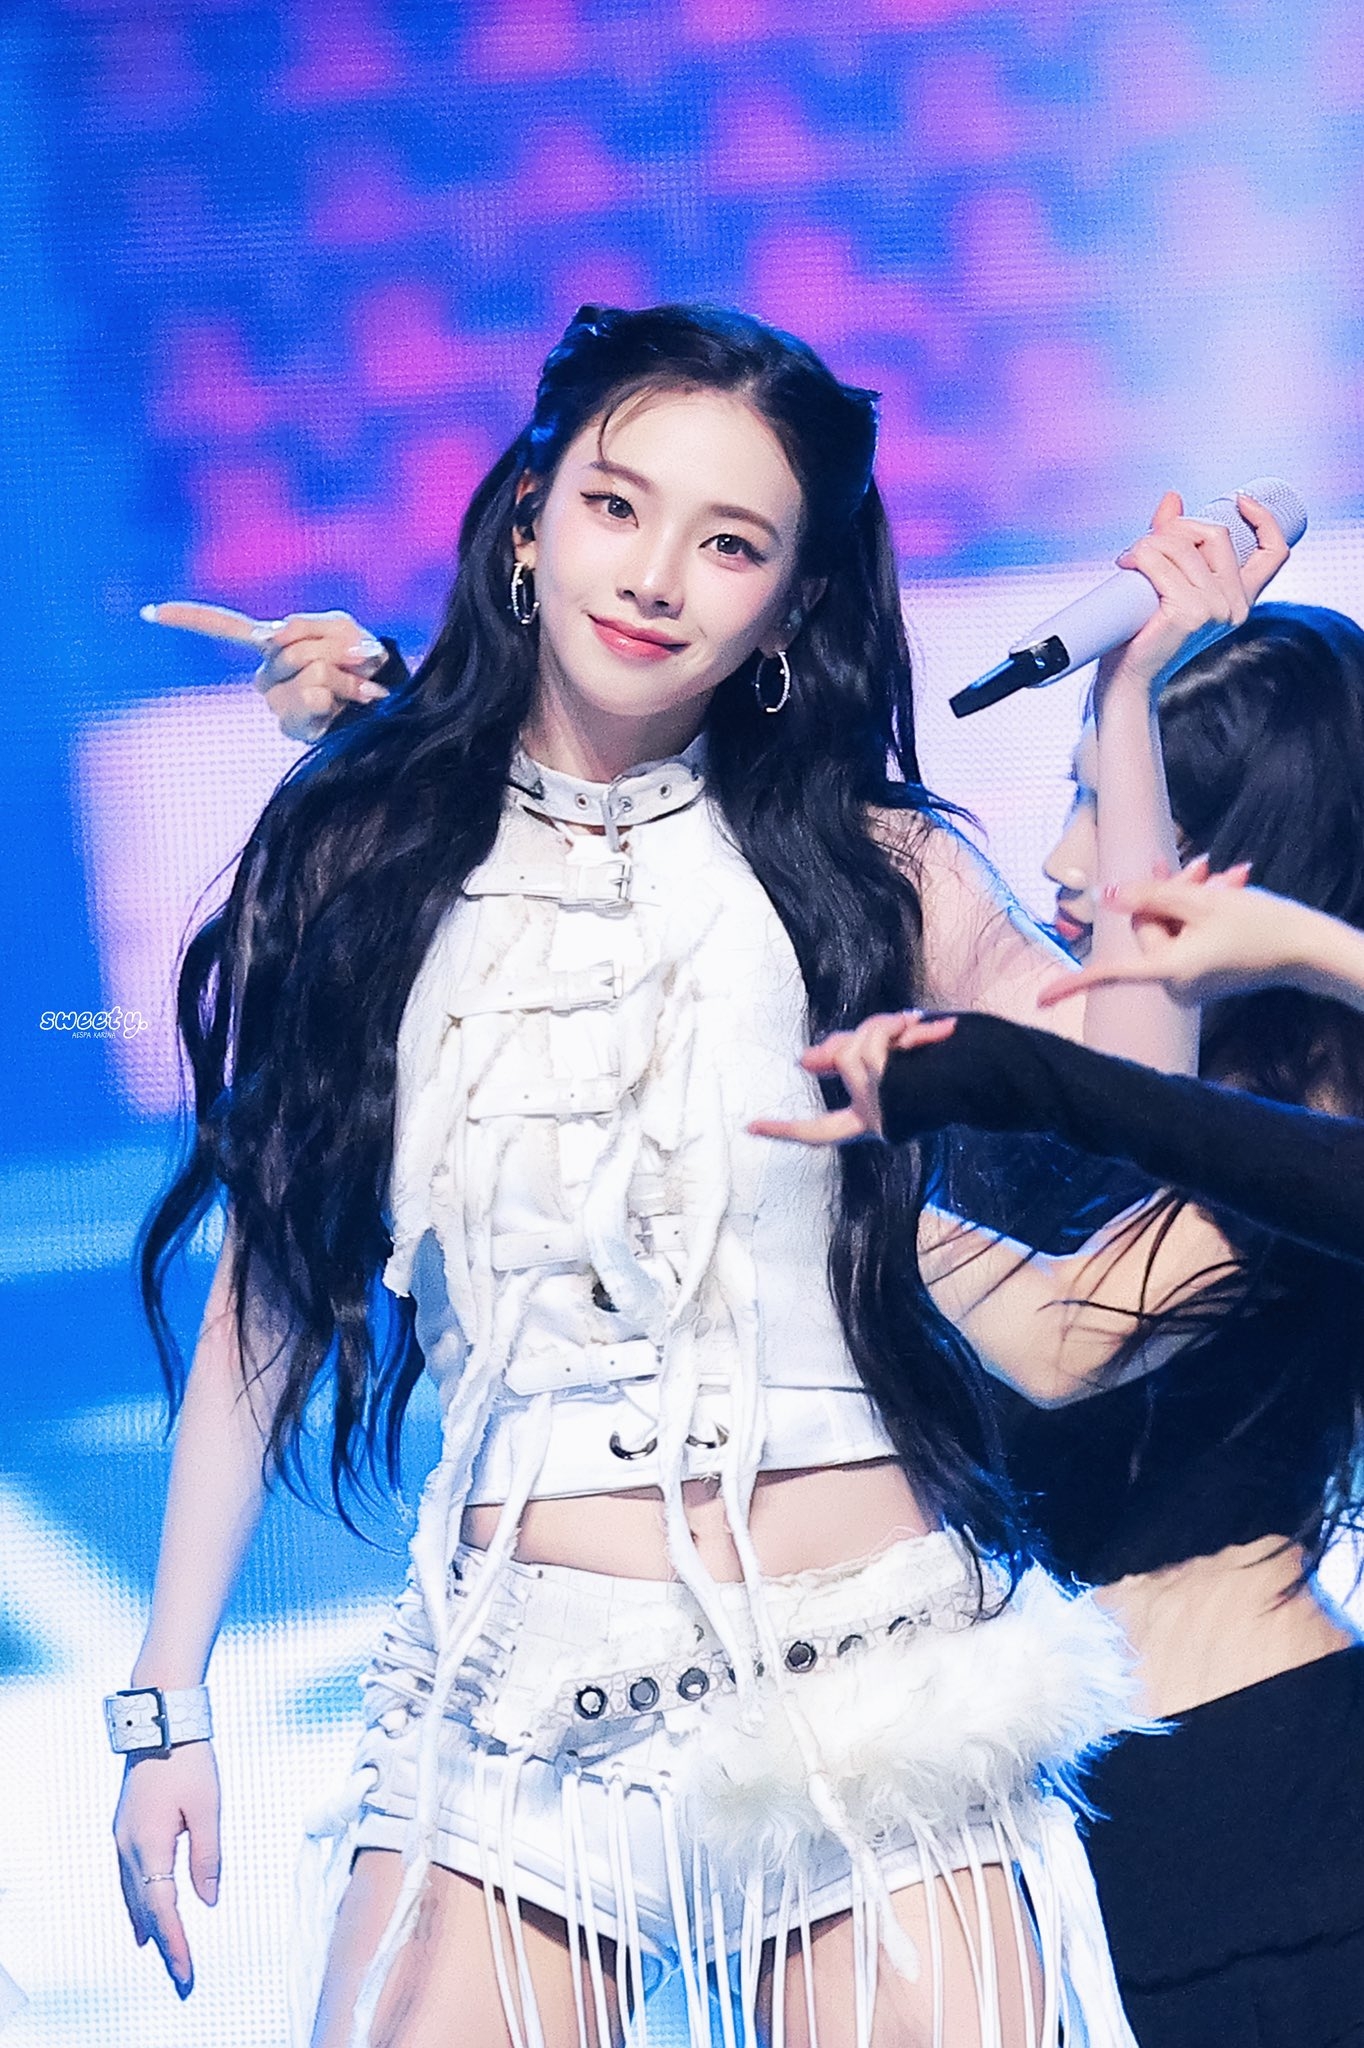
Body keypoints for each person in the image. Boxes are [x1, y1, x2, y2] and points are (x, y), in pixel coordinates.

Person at [111, 303, 1284, 2048]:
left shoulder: (874, 867)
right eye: (616, 506)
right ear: (529, 521)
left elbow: (1139, 1092)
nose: (656, 577)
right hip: (508, 1721)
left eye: (730, 544)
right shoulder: (370, 854)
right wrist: (165, 1696)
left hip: (877, 1698)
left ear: (792, 605)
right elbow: (271, 1283)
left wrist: (1129, 702)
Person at [765, 604, 1364, 2048]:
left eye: (1115, 810)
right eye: (1085, 797)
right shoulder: (1136, 1097)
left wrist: (790, 1181)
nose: (1064, 861)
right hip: (1095, 1804)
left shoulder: (1312, 1110)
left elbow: (1064, 1337)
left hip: (1273, 1793)